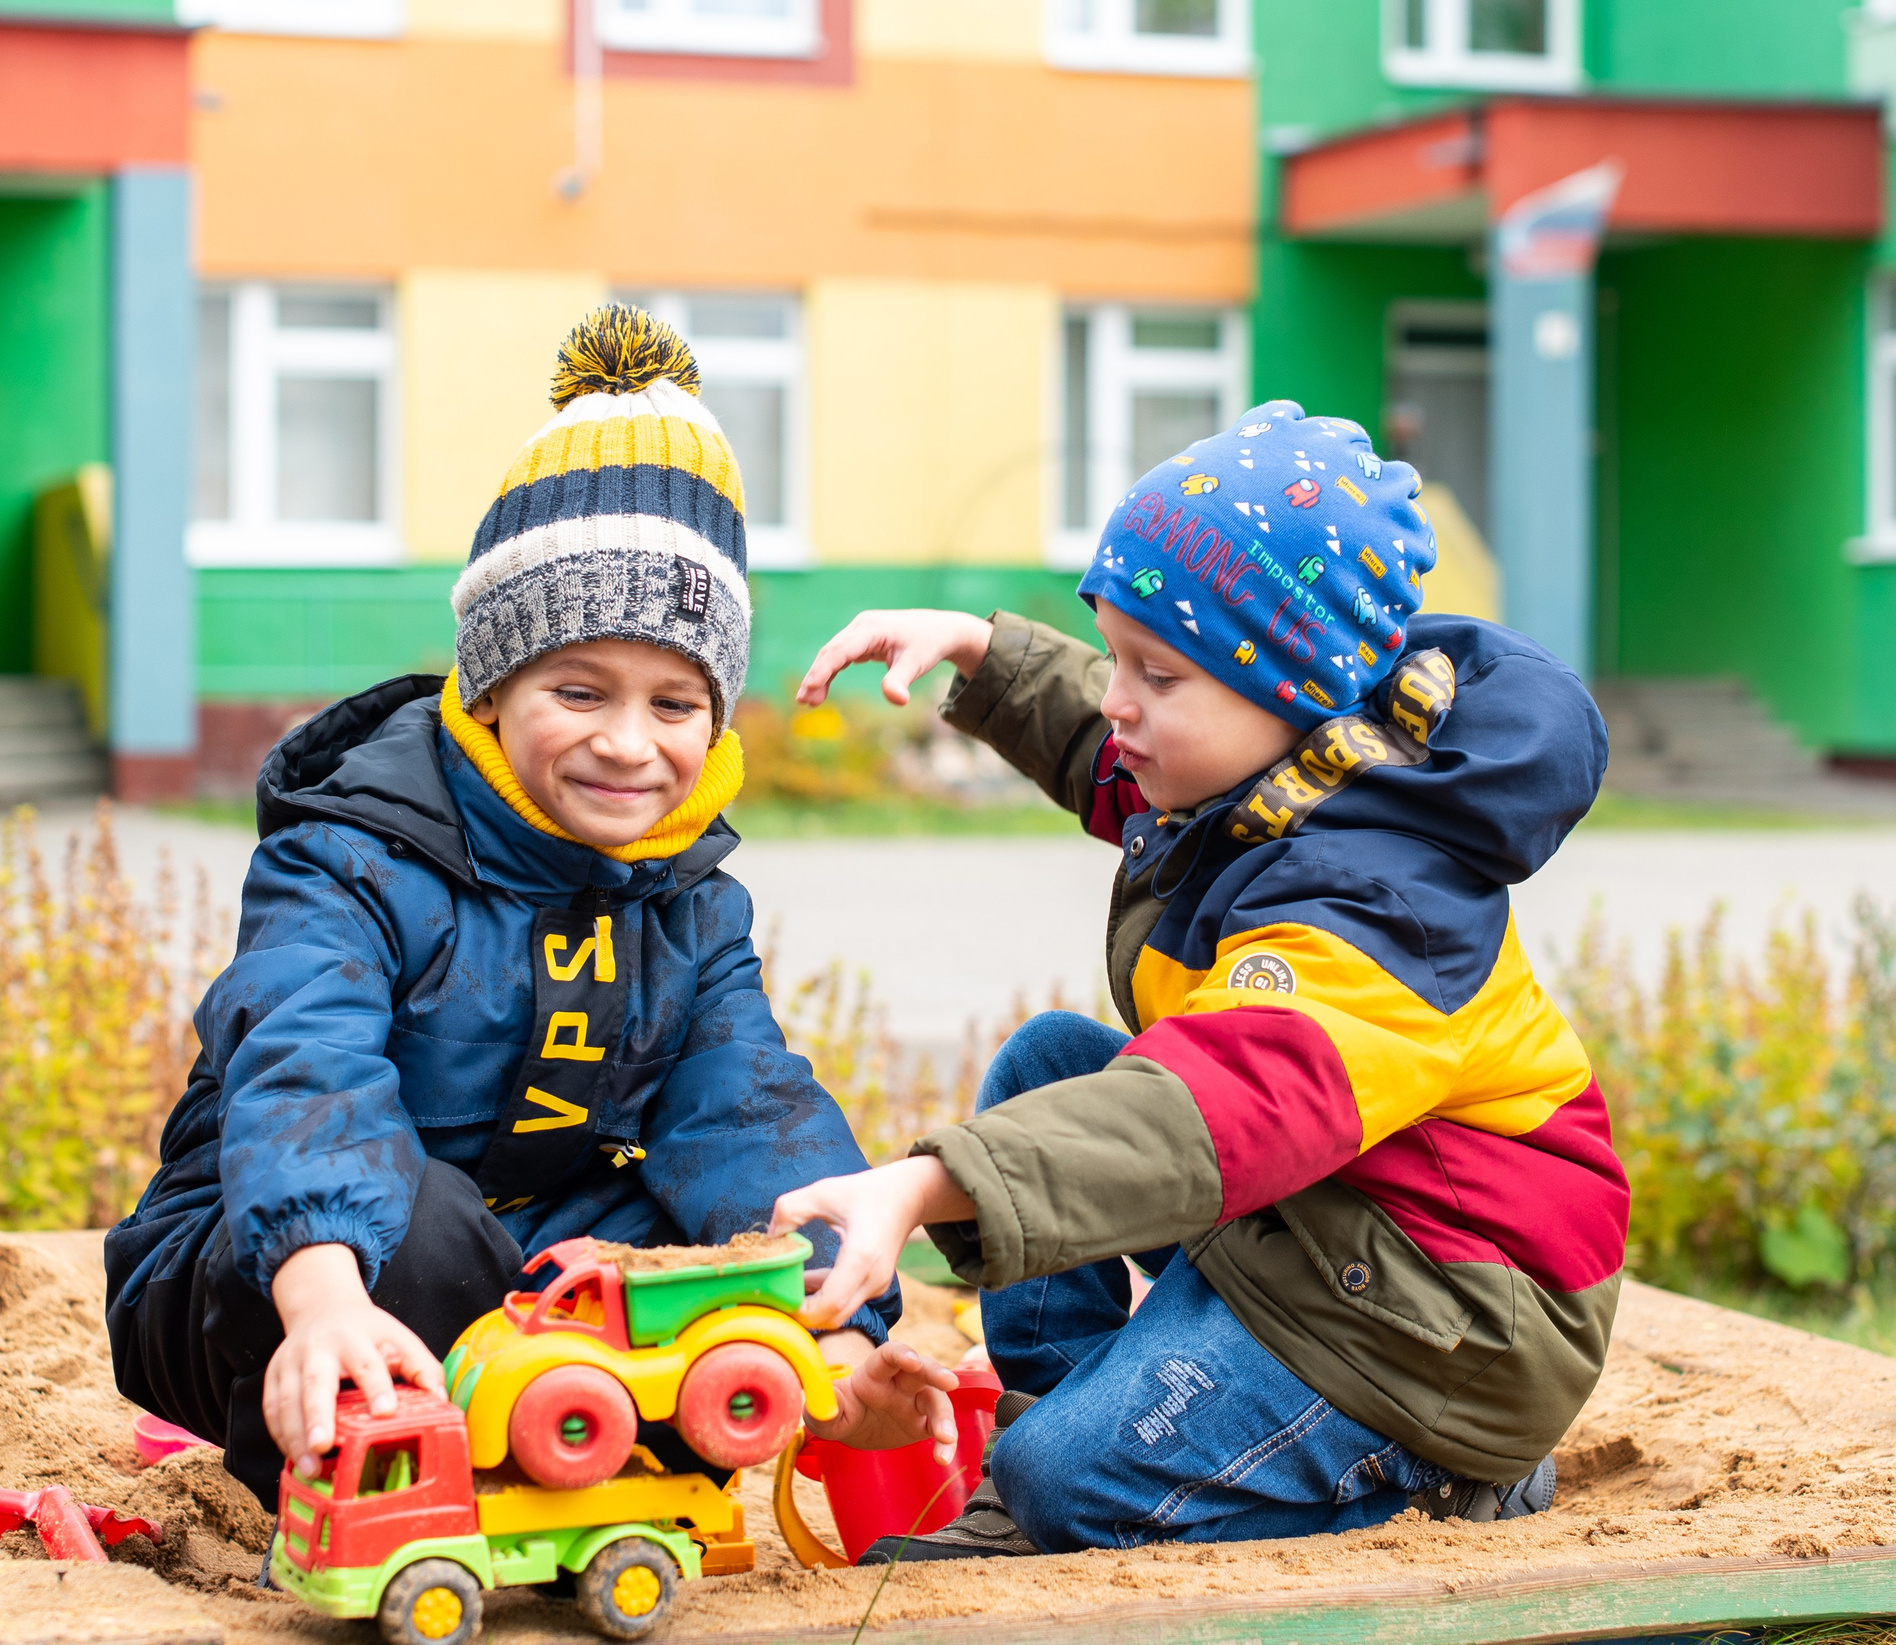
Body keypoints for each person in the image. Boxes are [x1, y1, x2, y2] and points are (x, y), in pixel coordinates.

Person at [104, 306, 952, 1512]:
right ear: (492, 687)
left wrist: (836, 1318)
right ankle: (312, 1455)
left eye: (673, 702)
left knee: (699, 1270)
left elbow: (745, 1108)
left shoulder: (689, 905)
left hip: (521, 1246)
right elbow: (305, 1063)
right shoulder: (350, 852)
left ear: (716, 720)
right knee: (430, 1237)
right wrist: (320, 1291)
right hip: (269, 1255)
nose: (626, 742)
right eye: (578, 687)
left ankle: (580, 1473)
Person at [776, 400, 1627, 1558]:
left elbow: (1205, 1110)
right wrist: (985, 652)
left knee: (1057, 1477)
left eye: (1155, 672)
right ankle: (1073, 1433)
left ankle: (1451, 1481)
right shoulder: (1269, 774)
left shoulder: (1377, 903)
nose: (1119, 698)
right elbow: (1110, 740)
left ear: (1291, 691)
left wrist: (921, 1187)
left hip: (1448, 1326)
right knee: (1045, 1063)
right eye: (1115, 653)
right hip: (1330, 1226)